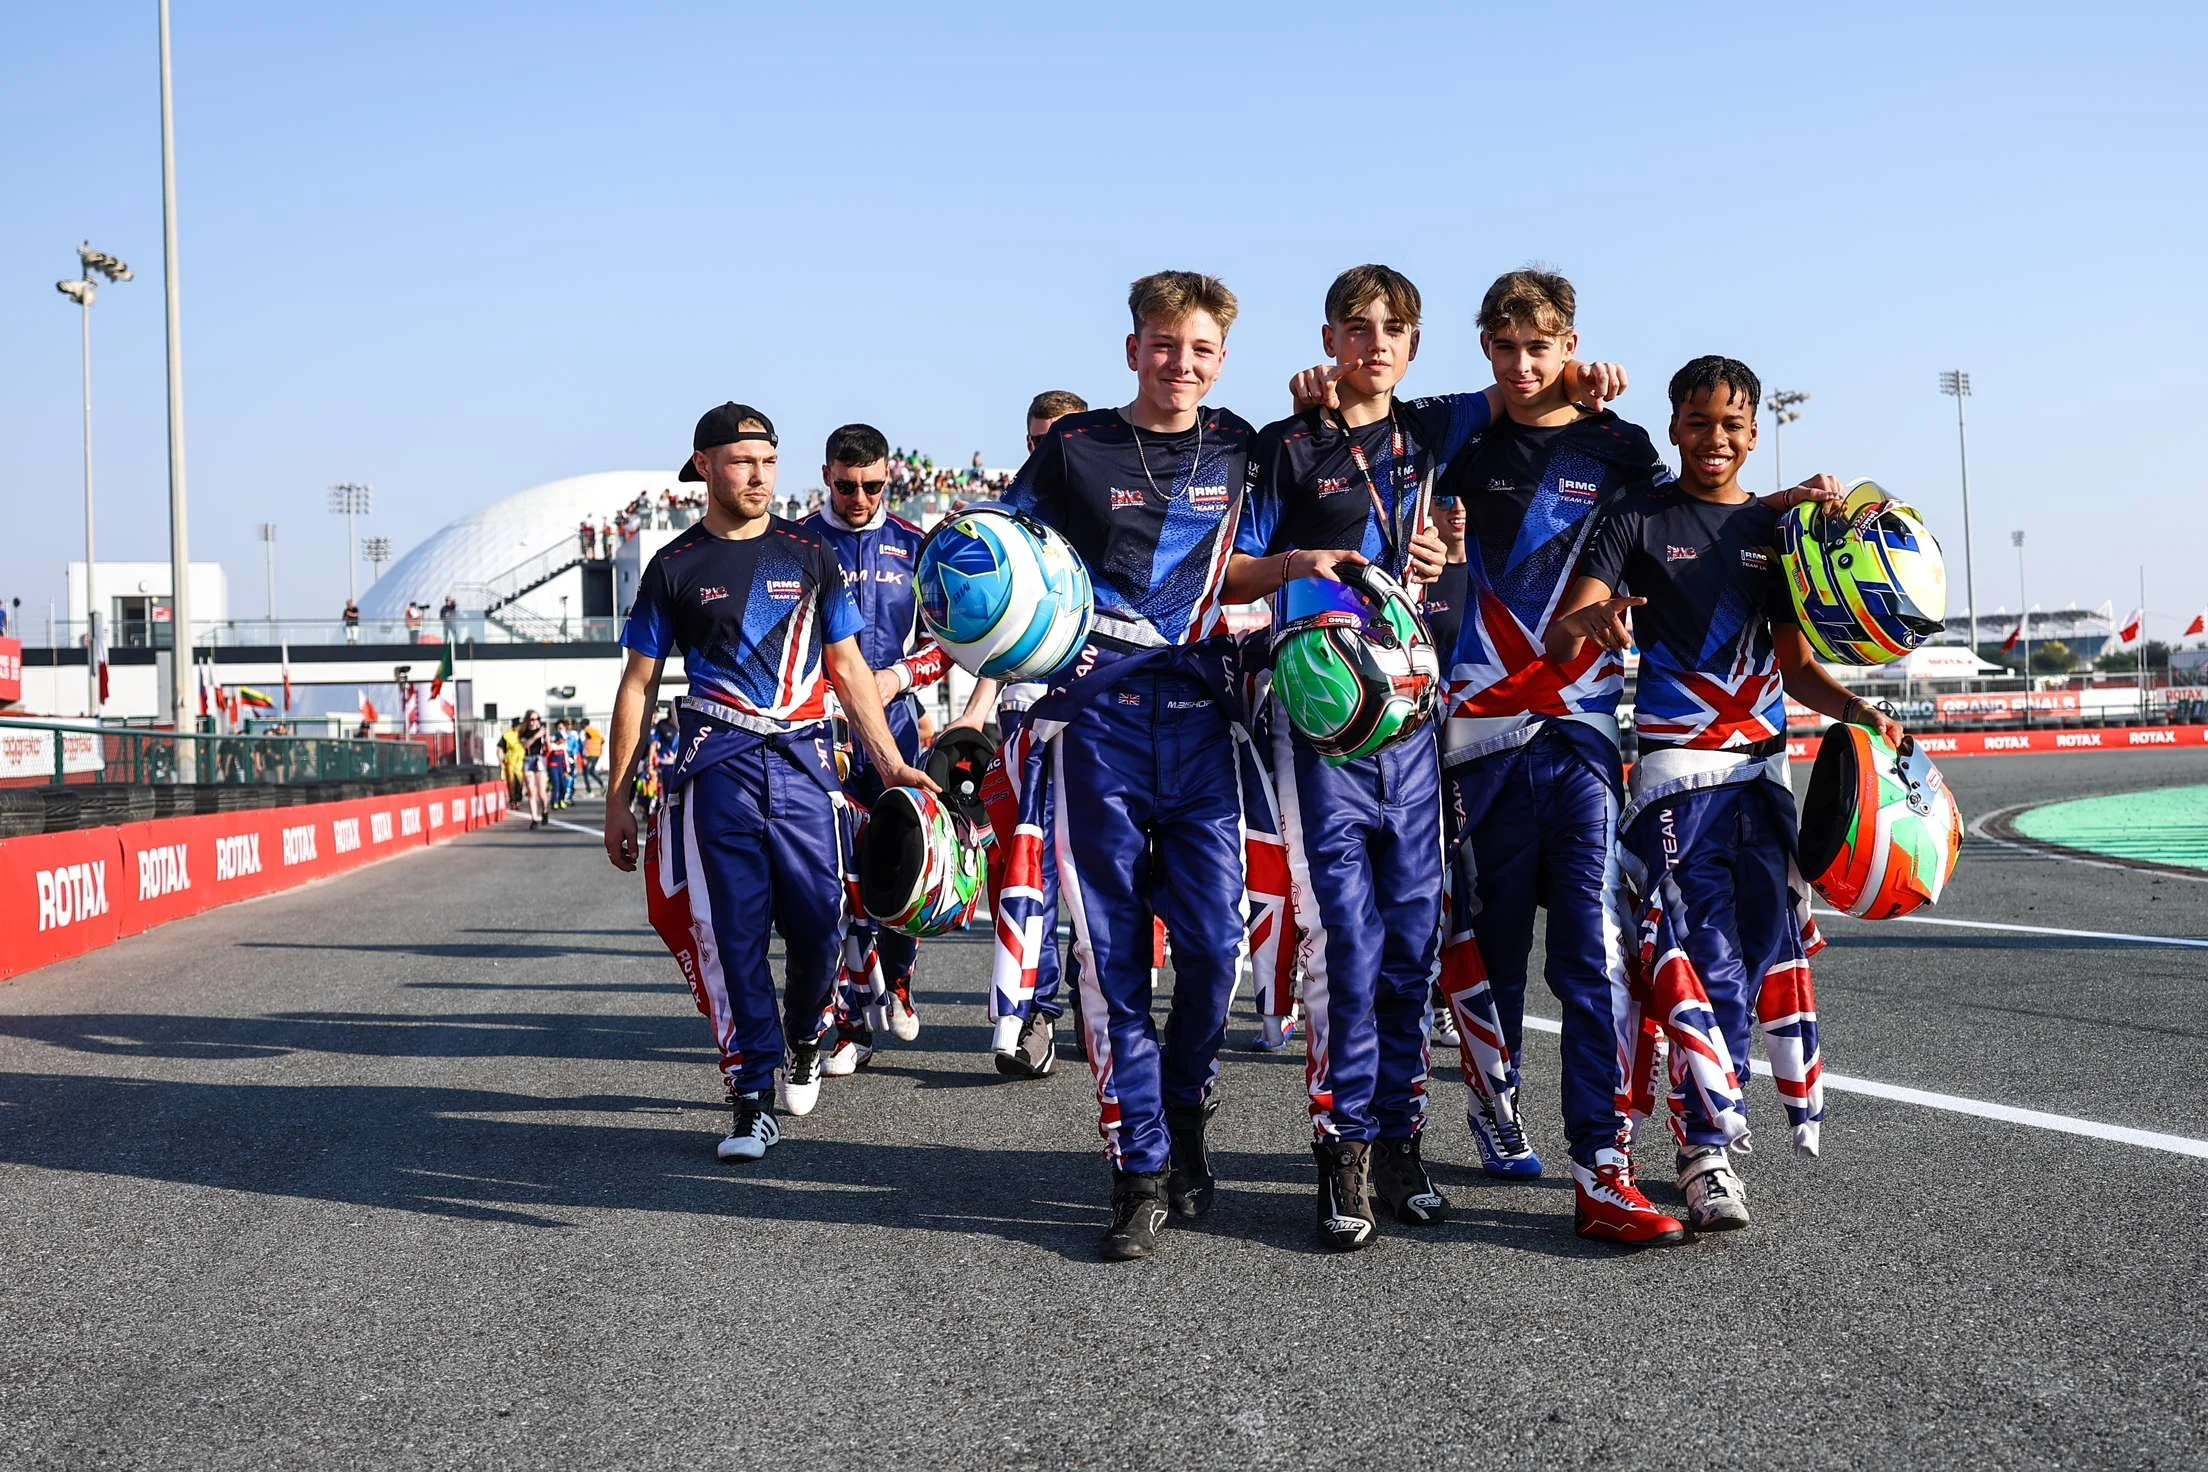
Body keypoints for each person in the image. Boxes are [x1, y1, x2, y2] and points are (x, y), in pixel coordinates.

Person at [1546, 355, 1871, 1233]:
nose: (1714, 439)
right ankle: (1704, 1153)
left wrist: (1861, 712)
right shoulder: (1637, 516)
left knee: (1755, 961)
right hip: (1674, 785)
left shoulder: (1782, 535)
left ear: (1755, 431)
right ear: (1673, 424)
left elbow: (1796, 666)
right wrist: (1595, 622)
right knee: (1704, 961)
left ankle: (1703, 1142)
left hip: (1766, 783)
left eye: (1732, 425)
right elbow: (1567, 633)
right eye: (1698, 422)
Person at [1223, 265, 1509, 1249]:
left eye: (1392, 328)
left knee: (1409, 954)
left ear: (1416, 344)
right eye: (1355, 327)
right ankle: (1338, 1156)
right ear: (1327, 339)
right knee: (1343, 947)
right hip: (1326, 734)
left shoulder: (1436, 430)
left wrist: (1591, 382)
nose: (1373, 342)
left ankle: (1401, 1149)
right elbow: (1233, 565)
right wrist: (1306, 563)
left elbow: (1540, 386)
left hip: (1417, 730)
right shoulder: (1287, 442)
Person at [994, 271, 1258, 1261]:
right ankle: (1137, 1167)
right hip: (1096, 726)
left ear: (1221, 358)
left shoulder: (1242, 447)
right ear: (1131, 347)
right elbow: (1003, 561)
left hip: (1201, 723)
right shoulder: (1074, 446)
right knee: (1110, 965)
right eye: (1161, 343)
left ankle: (1184, 1114)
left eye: (1197, 348)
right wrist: (986, 699)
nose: (1178, 363)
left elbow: (1253, 562)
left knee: (1215, 953)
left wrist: (1311, 573)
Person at [603, 402, 932, 1164]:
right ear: (706, 466)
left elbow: (848, 668)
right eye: (743, 461)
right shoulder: (674, 565)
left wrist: (888, 765)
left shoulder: (809, 555)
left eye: (769, 462)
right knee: (735, 935)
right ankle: (751, 1098)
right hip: (716, 772)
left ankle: (807, 1035)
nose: (759, 475)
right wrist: (621, 797)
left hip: (806, 766)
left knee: (821, 925)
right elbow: (637, 685)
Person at [800, 423, 983, 1072]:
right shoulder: (795, 545)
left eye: (873, 485)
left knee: (905, 871)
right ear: (826, 475)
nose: (859, 497)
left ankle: (899, 976)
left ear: (889, 480)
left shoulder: (915, 544)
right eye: (846, 485)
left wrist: (898, 677)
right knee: (836, 887)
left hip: (900, 732)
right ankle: (852, 1027)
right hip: (820, 736)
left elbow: (954, 643)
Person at [980, 389, 1089, 1079]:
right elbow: (986, 631)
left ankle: (1102, 990)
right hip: (1027, 712)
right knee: (1031, 865)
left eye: (1057, 439)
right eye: (1033, 440)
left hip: (1106, 708)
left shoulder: (1118, 509)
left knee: (1111, 870)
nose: (1042, 452)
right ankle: (1037, 1011)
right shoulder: (1005, 522)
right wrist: (974, 709)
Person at [519, 709, 550, 827]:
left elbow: (548, 746)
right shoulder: (523, 732)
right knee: (531, 792)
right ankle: (534, 819)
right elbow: (525, 744)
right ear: (527, 720)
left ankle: (545, 811)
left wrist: (545, 735)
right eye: (532, 719)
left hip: (539, 760)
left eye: (537, 719)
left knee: (541, 793)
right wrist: (537, 736)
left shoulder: (543, 730)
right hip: (528, 759)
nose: (534, 722)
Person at [546, 719, 573, 808]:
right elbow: (547, 757)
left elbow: (565, 759)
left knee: (563, 785)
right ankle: (554, 802)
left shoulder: (563, 748)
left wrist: (567, 769)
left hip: (561, 768)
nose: (562, 740)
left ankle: (561, 800)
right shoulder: (552, 748)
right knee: (556, 785)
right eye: (561, 739)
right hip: (553, 768)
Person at [498, 717, 524, 805]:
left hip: (521, 762)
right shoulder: (507, 736)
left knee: (520, 783)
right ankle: (513, 800)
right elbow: (500, 748)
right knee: (511, 782)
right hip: (510, 762)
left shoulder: (523, 735)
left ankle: (518, 800)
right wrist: (500, 760)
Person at [580, 719, 605, 795]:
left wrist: (585, 755)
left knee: (587, 772)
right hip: (596, 753)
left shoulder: (587, 731)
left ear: (583, 725)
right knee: (590, 771)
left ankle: (590, 791)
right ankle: (601, 785)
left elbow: (585, 744)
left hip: (590, 754)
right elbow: (603, 740)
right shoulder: (595, 730)